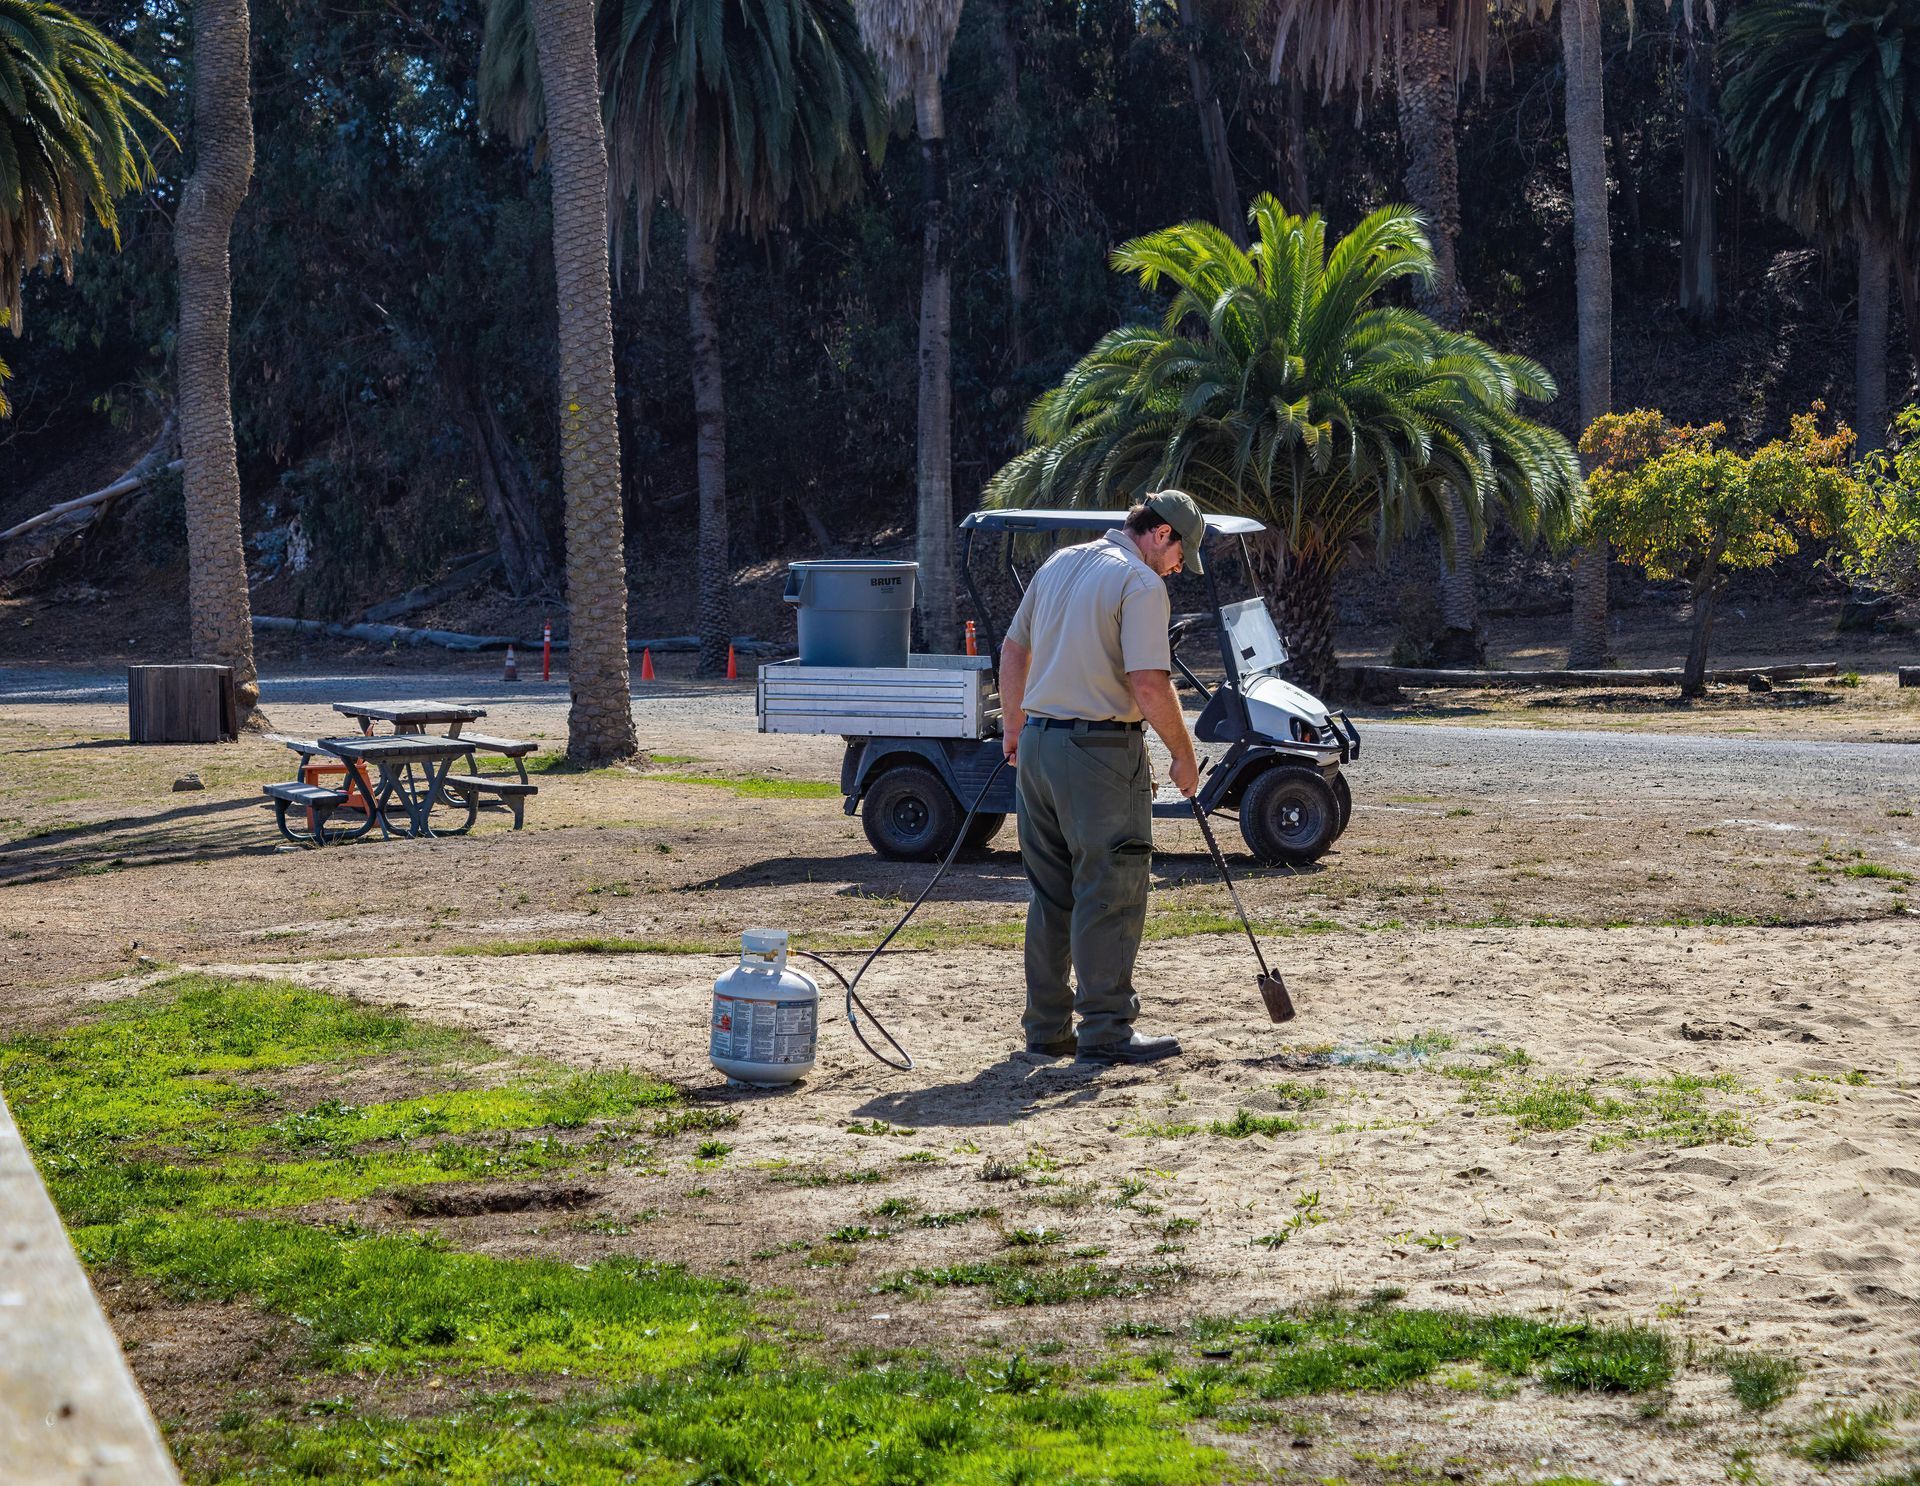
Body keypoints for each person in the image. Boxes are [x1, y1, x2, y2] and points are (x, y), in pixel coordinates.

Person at [997, 491, 1207, 1064]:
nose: (1179, 567)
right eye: (1181, 552)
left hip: (1038, 746)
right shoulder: (1140, 584)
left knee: (1050, 893)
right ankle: (1107, 1028)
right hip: (1100, 751)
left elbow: (1014, 649)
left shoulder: (1060, 562)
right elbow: (1147, 683)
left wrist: (1014, 728)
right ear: (1161, 534)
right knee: (1111, 888)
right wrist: (1184, 756)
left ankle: (1046, 1027)